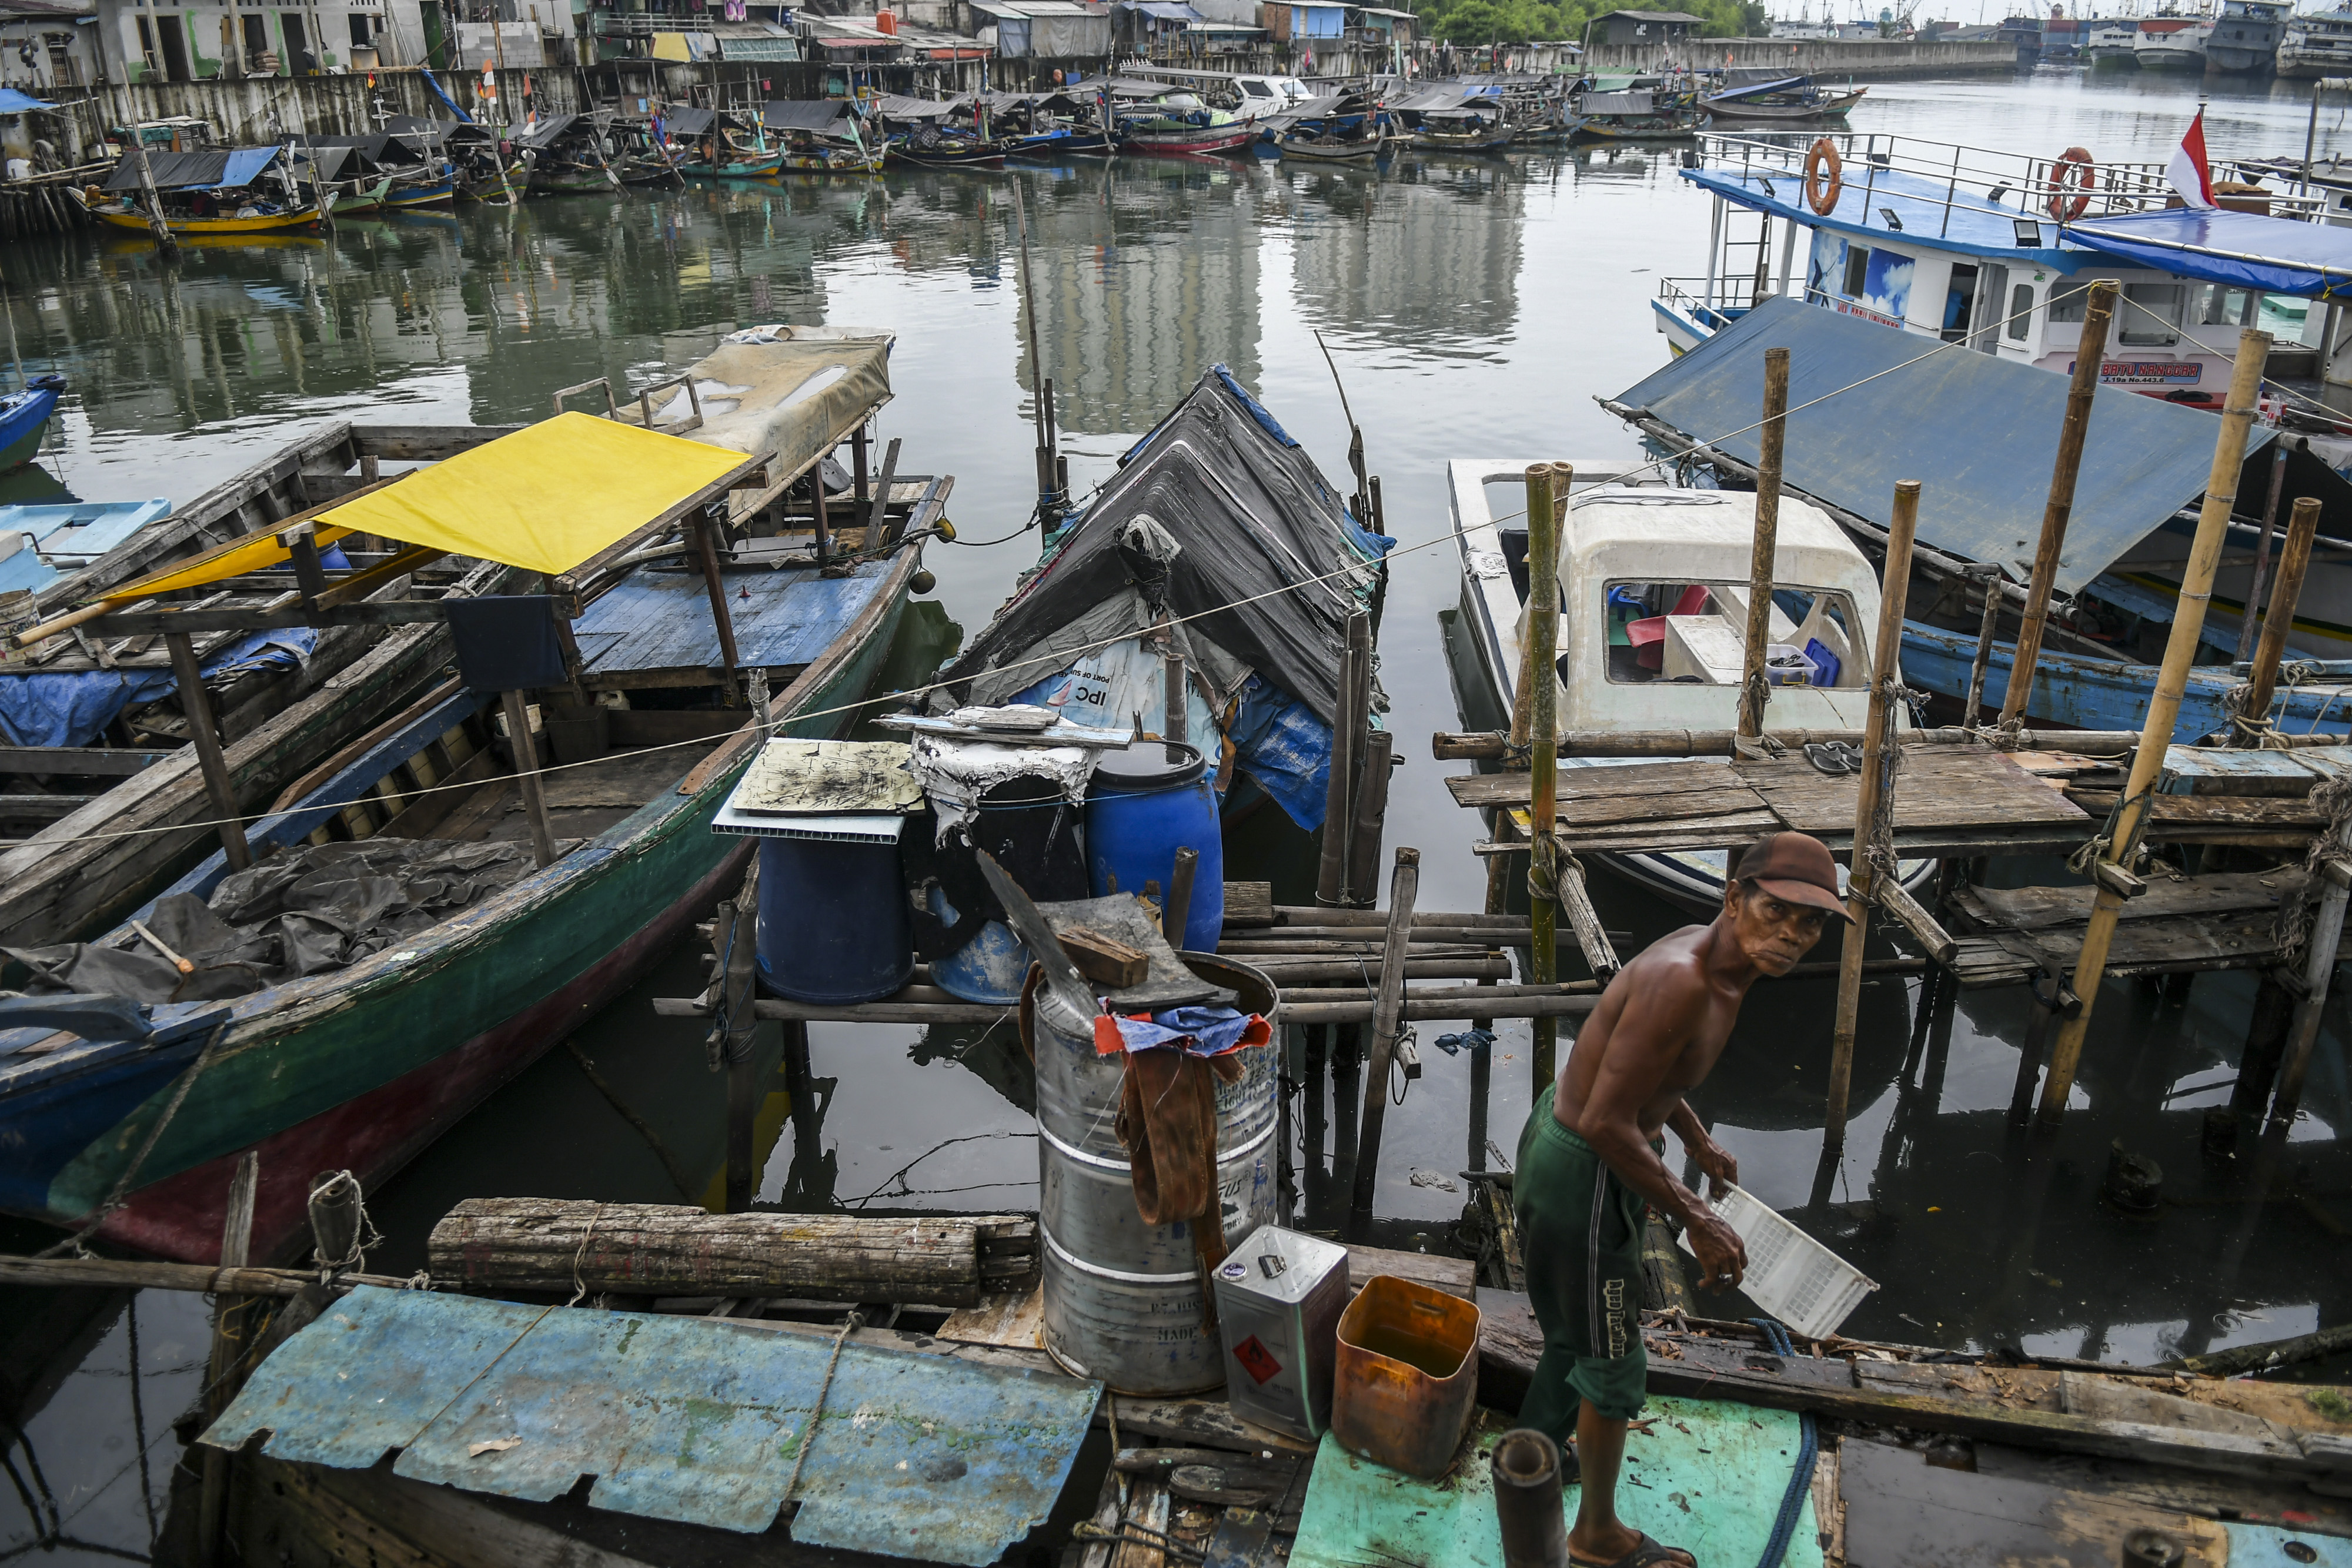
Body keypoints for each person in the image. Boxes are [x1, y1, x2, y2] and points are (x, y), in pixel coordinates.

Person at [1514, 831, 1850, 1568]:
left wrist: (1692, 1137)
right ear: (1734, 899)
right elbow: (1608, 1120)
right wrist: (1695, 1215)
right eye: (1777, 912)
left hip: (1565, 1141)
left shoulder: (1710, 954)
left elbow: (1639, 1067)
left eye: (1812, 921)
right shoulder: (1684, 979)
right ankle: (1595, 1538)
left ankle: (1534, 1453)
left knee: (1573, 1337)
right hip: (1588, 1172)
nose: (1793, 935)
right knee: (1612, 1362)